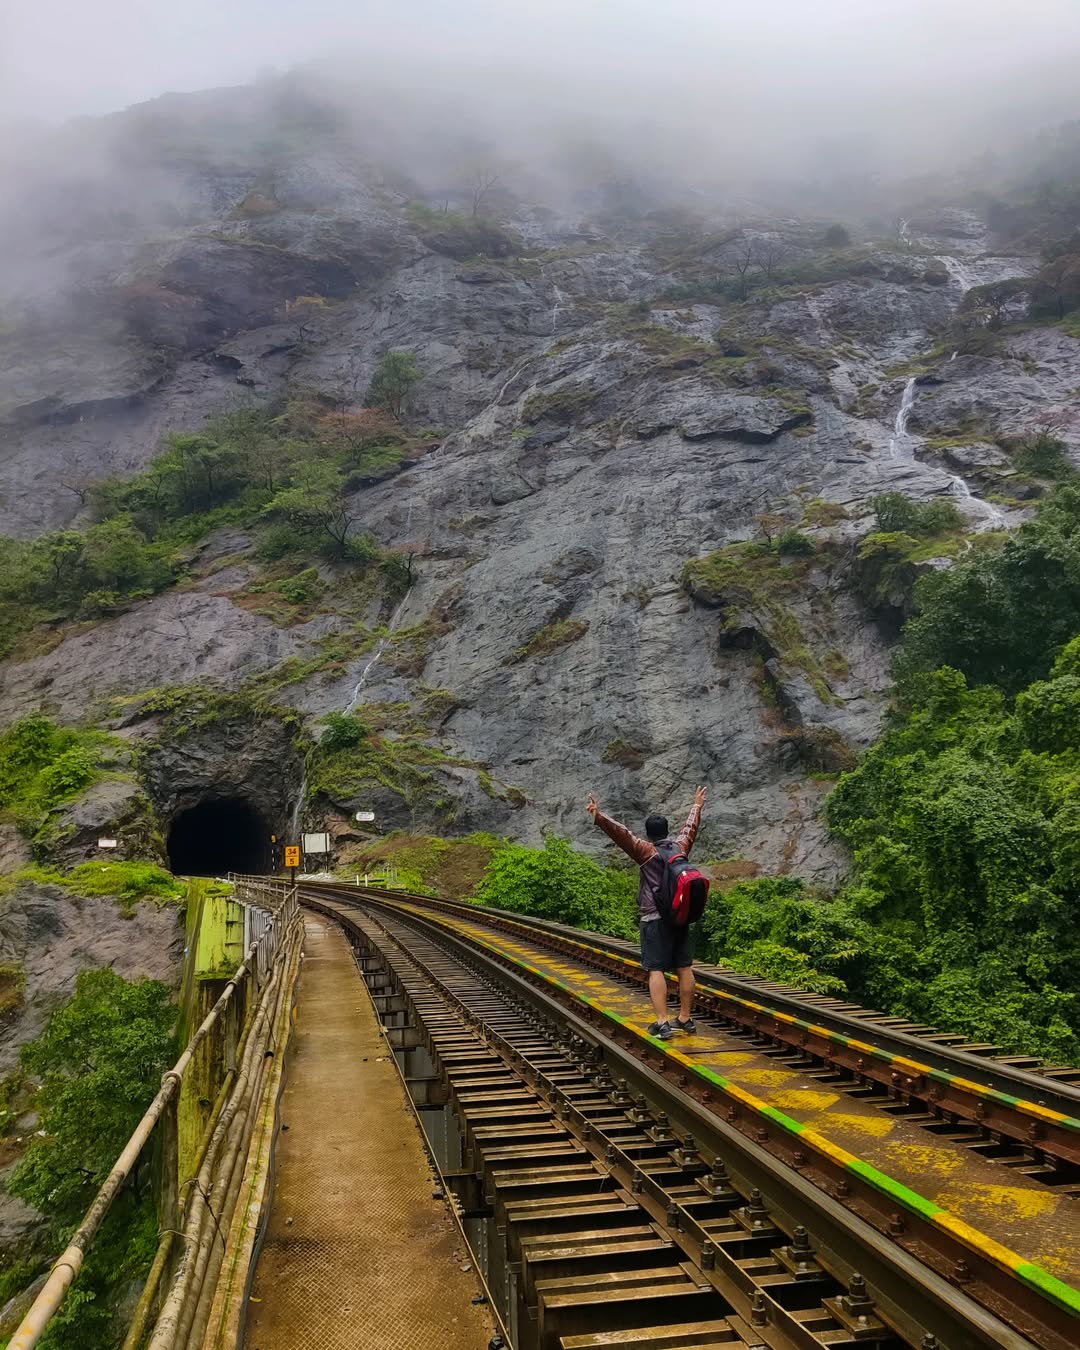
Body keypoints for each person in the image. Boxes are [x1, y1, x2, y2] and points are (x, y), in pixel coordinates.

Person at [587, 786, 707, 1040]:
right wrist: (696, 806)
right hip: (680, 916)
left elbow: (622, 835)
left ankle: (662, 1022)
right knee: (684, 967)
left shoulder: (646, 851)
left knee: (656, 970)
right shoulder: (680, 848)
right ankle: (685, 1018)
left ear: (649, 834)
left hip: (654, 918)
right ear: (666, 831)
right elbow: (689, 830)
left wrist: (599, 815)